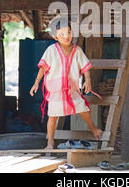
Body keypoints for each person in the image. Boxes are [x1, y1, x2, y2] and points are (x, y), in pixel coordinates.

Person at [30, 17, 103, 149]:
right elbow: (42, 68)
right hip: (56, 91)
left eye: (68, 32)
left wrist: (88, 80)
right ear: (55, 36)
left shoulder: (77, 51)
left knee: (84, 110)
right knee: (52, 117)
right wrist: (36, 83)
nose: (66, 36)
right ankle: (50, 143)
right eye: (62, 34)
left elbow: (85, 66)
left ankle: (93, 129)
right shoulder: (51, 50)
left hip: (72, 90)